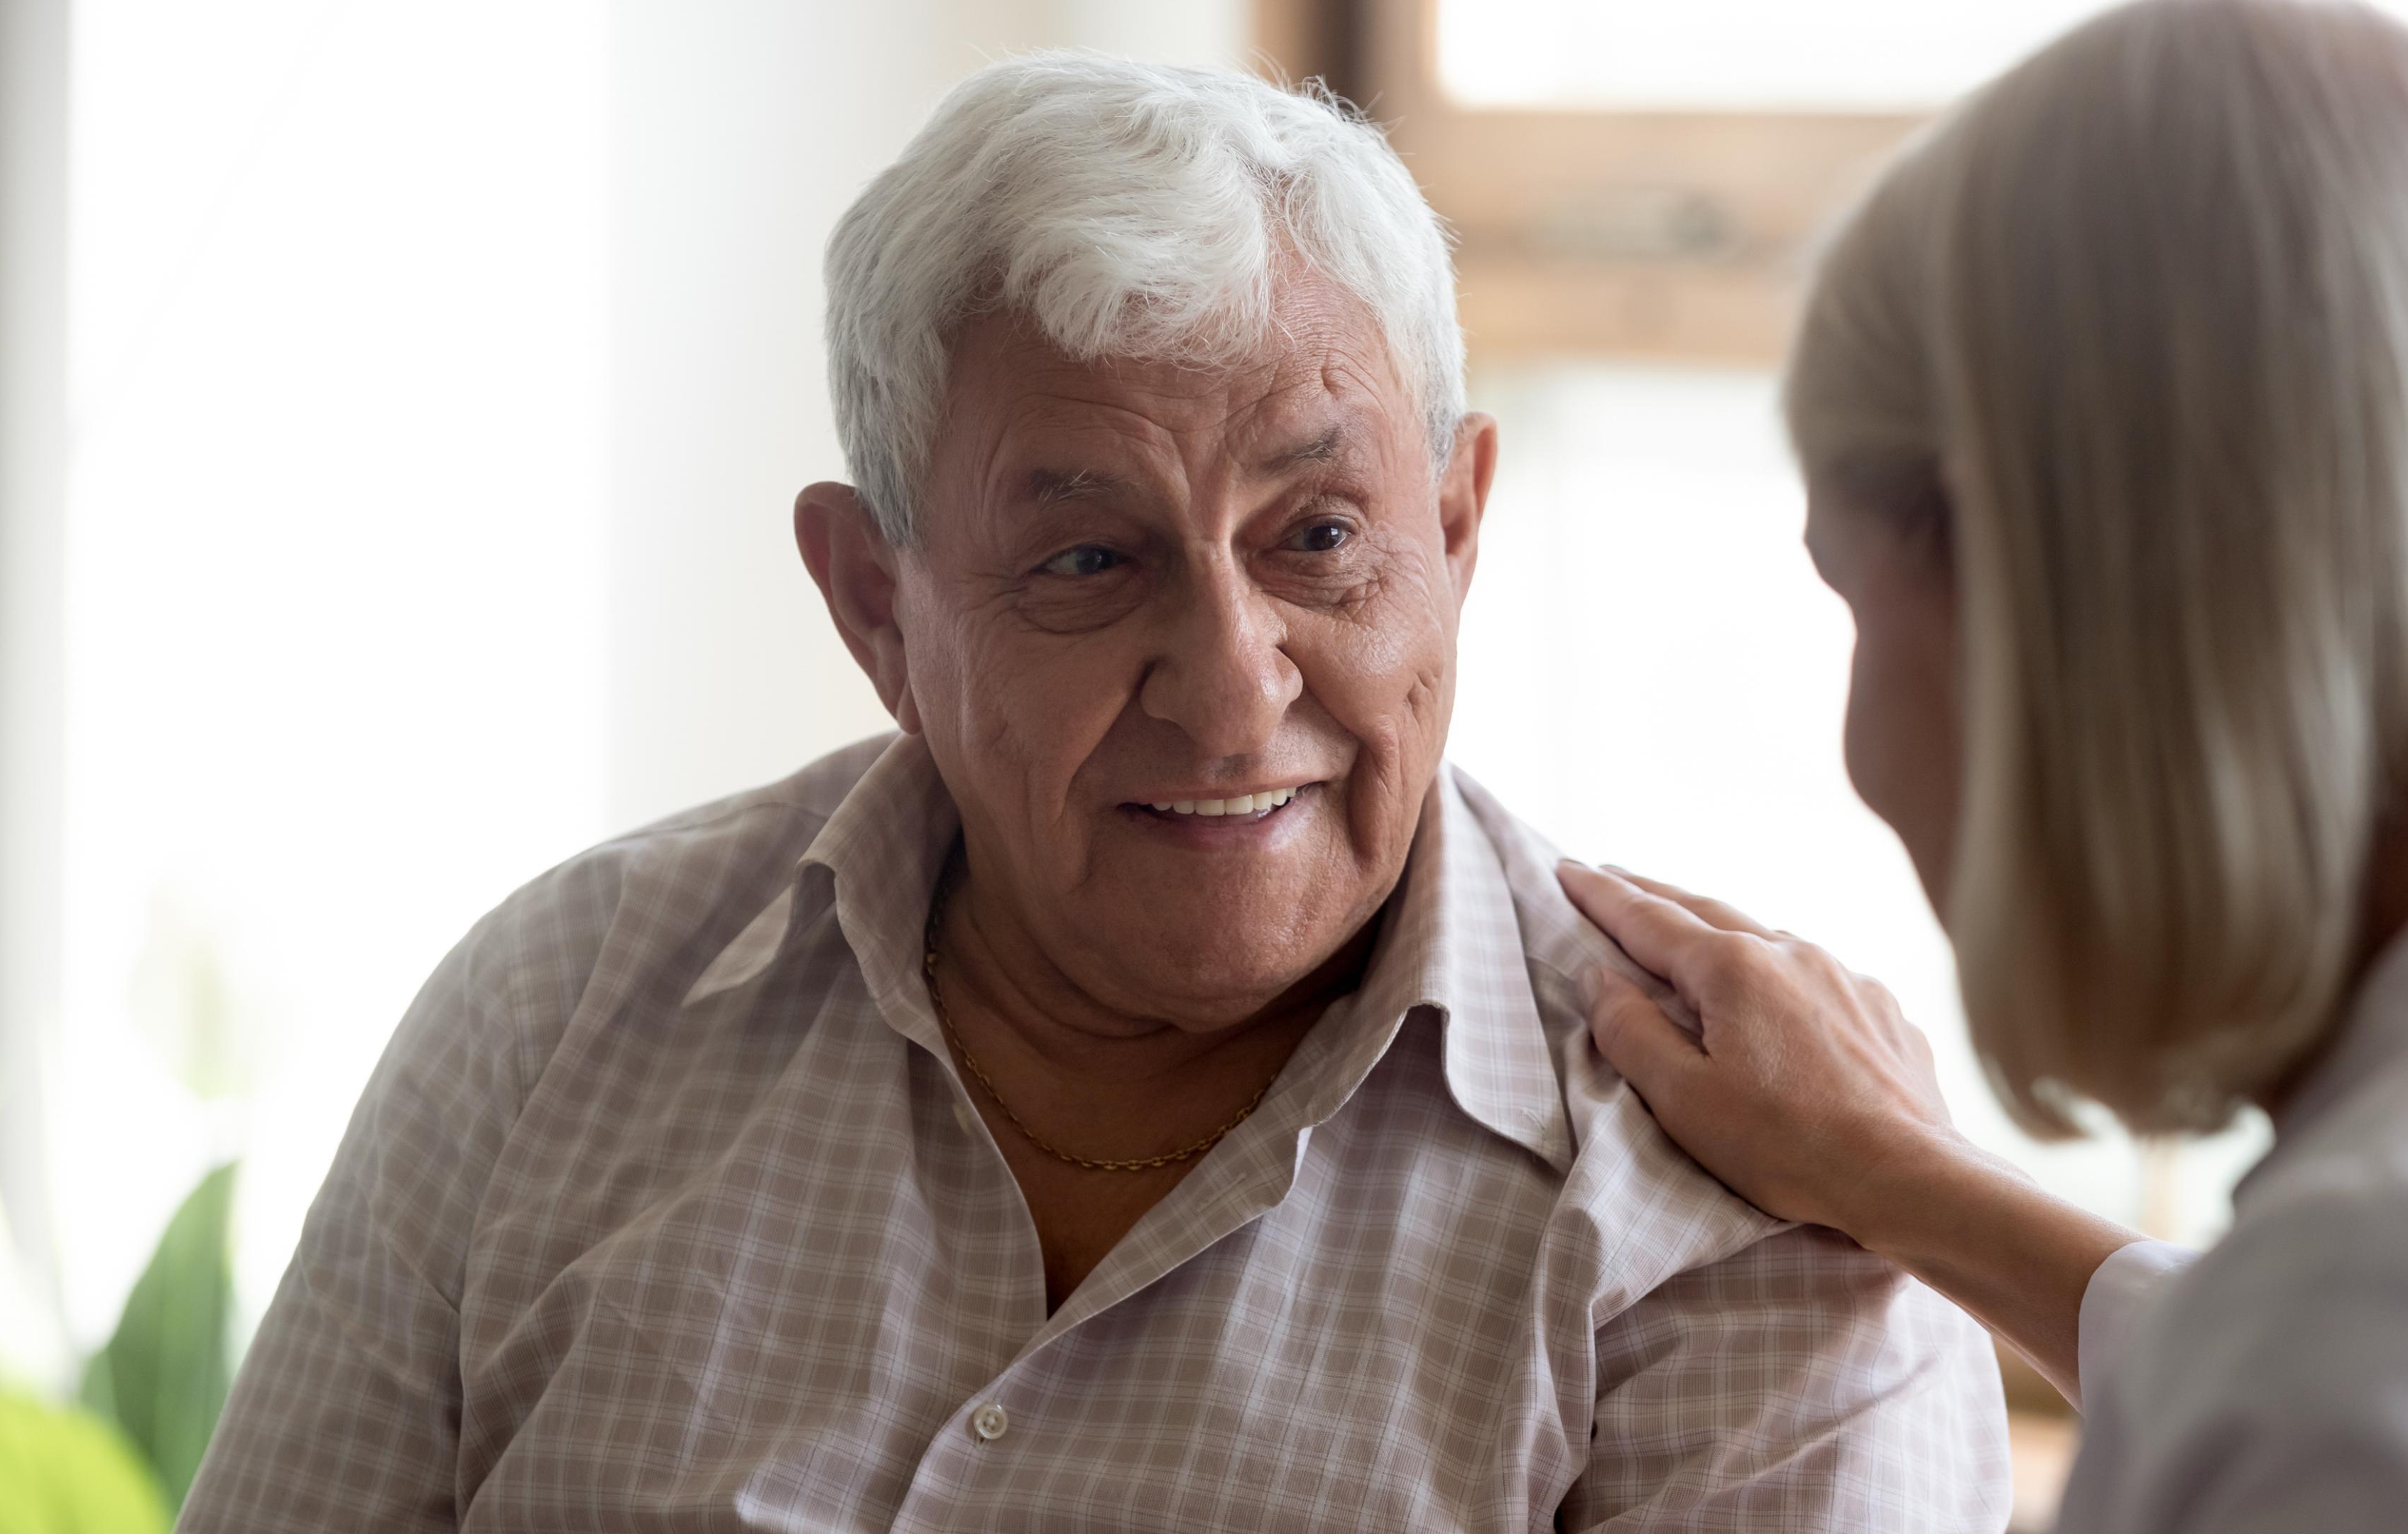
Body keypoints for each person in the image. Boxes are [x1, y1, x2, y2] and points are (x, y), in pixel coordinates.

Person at [178, 52, 2006, 1533]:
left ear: (1455, 530)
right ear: (875, 607)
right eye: (1087, 563)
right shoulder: (558, 1011)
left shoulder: (1741, 1201)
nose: (1230, 690)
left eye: (1319, 537)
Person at [1558, 1, 2408, 1529]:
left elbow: (2345, 1376)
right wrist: (1900, 1176)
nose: (1853, 754)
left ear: (2061, 609)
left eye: (1851, 600)